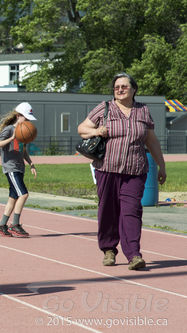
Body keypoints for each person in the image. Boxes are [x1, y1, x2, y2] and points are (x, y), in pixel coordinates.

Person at [77, 72, 166, 270]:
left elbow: (151, 141)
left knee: (131, 211)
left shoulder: (143, 111)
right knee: (108, 209)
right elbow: (82, 128)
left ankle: (134, 254)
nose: (120, 89)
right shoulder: (105, 108)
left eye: (124, 86)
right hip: (107, 169)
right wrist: (97, 131)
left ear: (134, 89)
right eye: (117, 87)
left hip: (135, 170)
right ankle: (109, 249)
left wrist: (162, 165)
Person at [0, 102, 37, 238]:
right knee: (24, 194)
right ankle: (15, 224)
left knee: (13, 197)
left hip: (20, 167)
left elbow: (23, 150)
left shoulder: (23, 131)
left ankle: (2, 225)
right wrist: (11, 138)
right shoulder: (9, 130)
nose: (28, 120)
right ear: (18, 116)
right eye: (26, 117)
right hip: (10, 167)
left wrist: (31, 163)